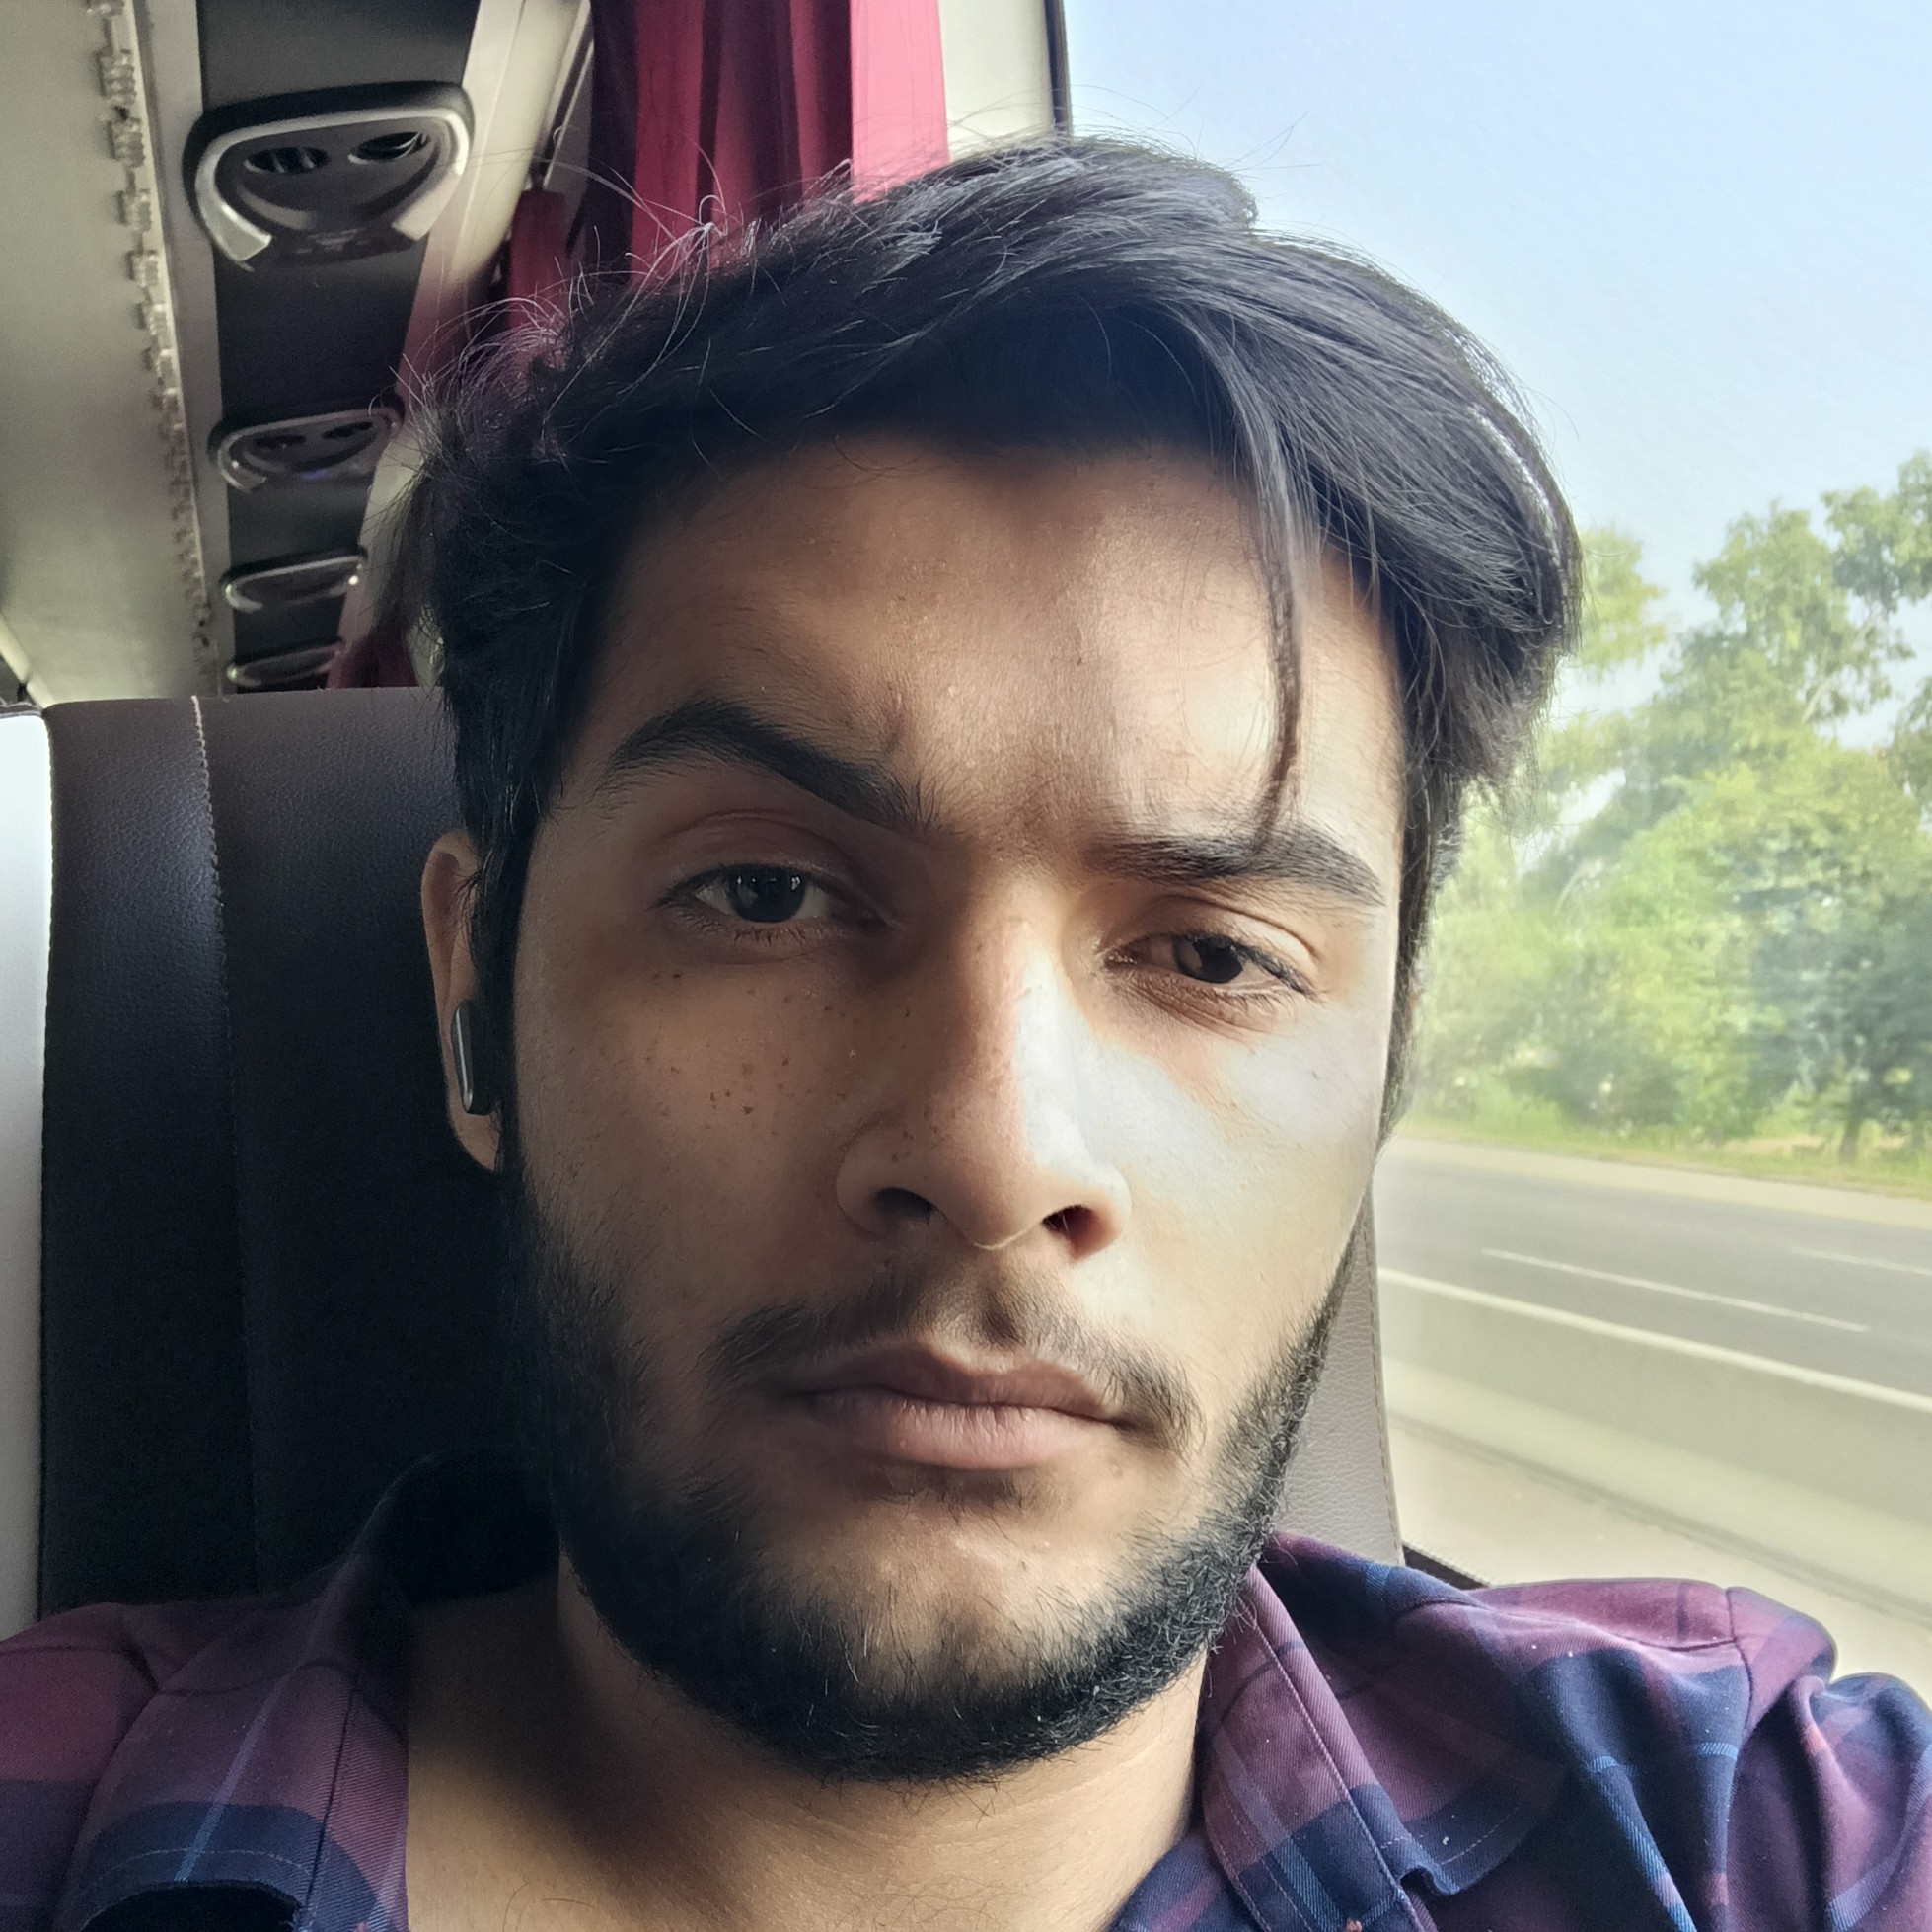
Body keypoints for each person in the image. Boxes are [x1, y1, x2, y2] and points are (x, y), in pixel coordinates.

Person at [4, 141, 1926, 1932]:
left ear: (1382, 1074)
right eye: (764, 893)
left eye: (1214, 951)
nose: (995, 1148)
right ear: (473, 998)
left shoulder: (1747, 1837)